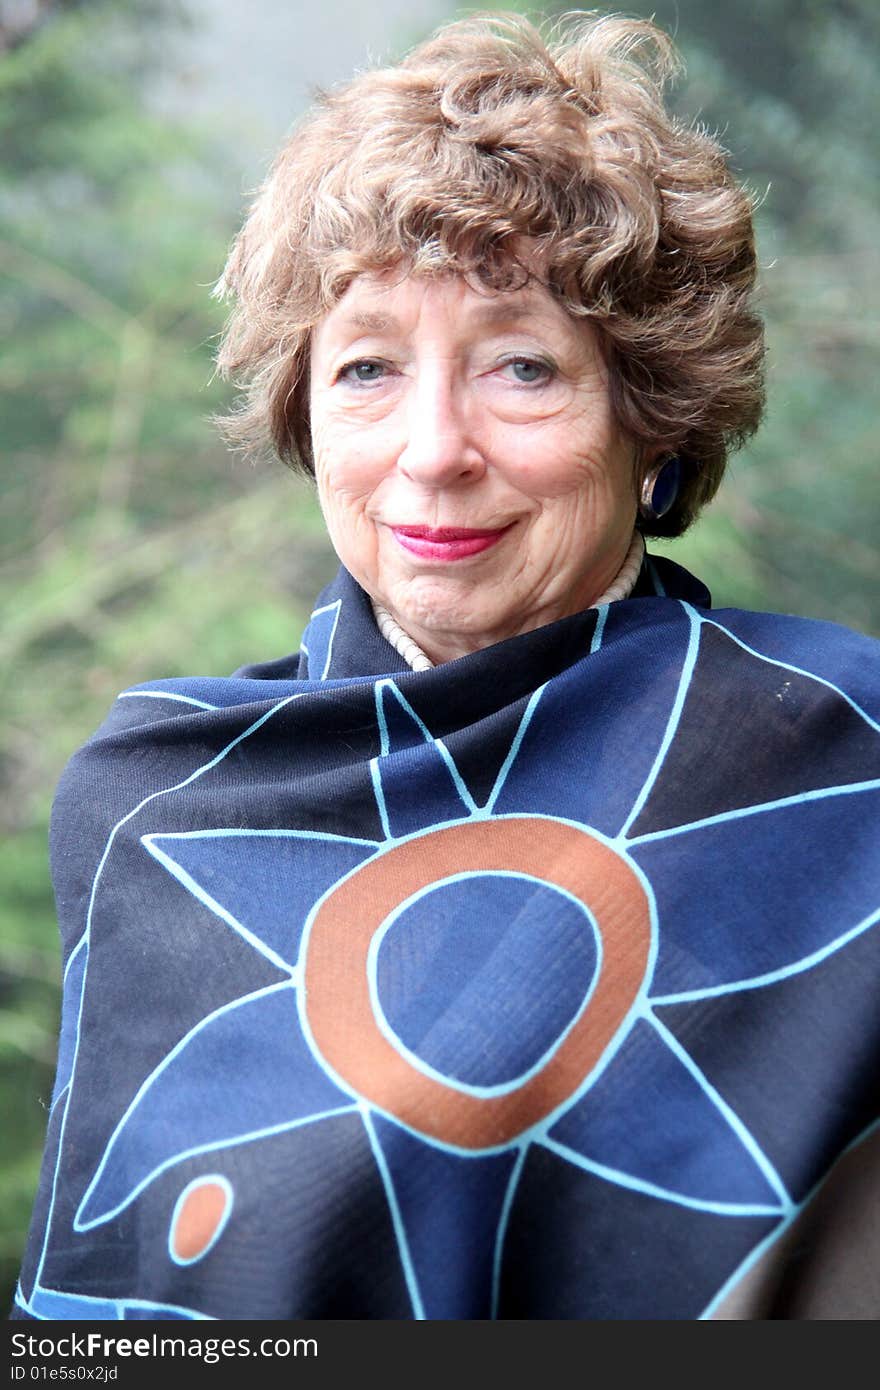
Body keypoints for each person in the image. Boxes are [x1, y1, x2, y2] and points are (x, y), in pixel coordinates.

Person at [12, 10, 879, 1322]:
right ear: (305, 408)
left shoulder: (840, 758)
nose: (432, 448)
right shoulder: (155, 802)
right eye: (366, 366)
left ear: (652, 419)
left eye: (521, 366)